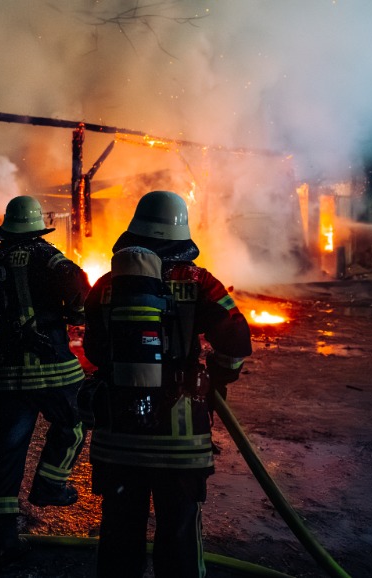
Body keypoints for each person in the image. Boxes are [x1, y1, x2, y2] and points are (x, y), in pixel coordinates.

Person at [83, 190, 253, 578]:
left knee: (119, 531)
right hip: (180, 437)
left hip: (117, 433)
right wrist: (216, 379)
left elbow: (94, 349)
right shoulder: (200, 282)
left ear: (136, 231)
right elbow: (236, 341)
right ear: (181, 234)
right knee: (178, 529)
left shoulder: (106, 284)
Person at [0, 195, 91, 572]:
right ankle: (49, 485)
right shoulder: (45, 254)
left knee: (7, 452)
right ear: (37, 226)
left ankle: (1, 538)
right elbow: (77, 282)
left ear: (8, 228)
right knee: (76, 420)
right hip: (49, 367)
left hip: (4, 373)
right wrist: (75, 313)